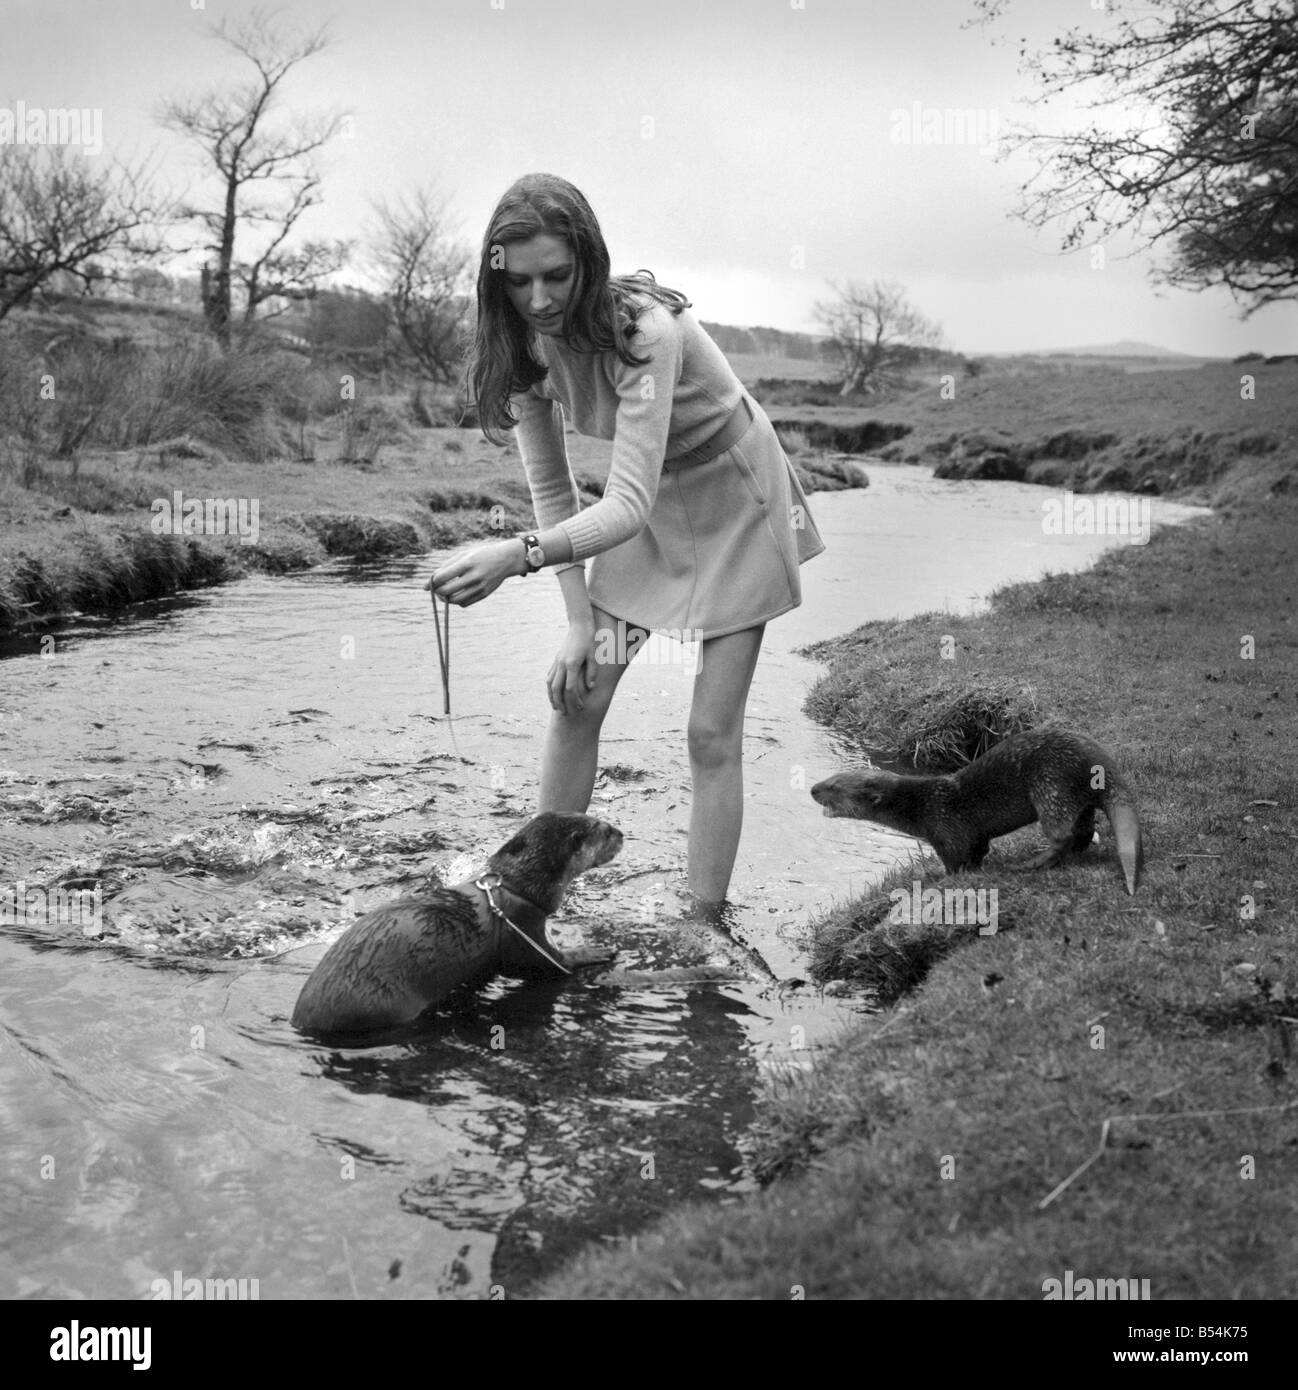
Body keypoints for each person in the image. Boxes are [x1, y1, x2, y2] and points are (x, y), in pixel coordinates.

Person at [431, 173, 824, 911]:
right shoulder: (518, 347)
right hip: (642, 502)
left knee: (711, 733)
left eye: (557, 276)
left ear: (589, 261)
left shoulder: (647, 333)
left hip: (734, 496)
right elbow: (554, 493)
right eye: (519, 282)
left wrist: (516, 556)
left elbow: (626, 504)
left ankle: (702, 922)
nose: (540, 299)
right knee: (577, 699)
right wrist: (579, 622)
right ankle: (533, 896)